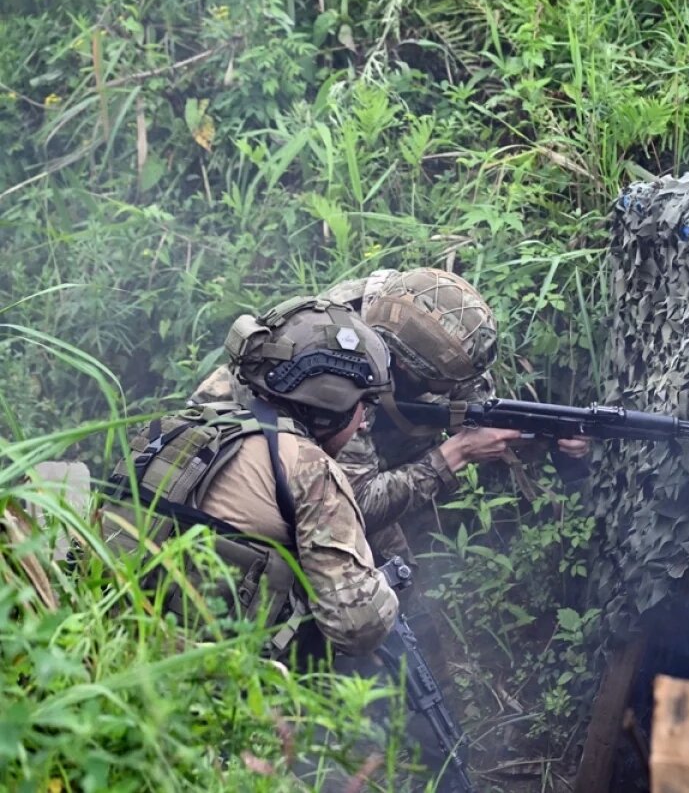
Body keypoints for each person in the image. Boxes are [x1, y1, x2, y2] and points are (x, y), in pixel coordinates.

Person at [100, 296, 464, 790]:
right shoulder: (308, 467)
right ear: (332, 407)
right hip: (209, 701)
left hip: (111, 660)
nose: (364, 423)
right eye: (363, 408)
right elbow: (358, 627)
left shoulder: (165, 427)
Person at [189, 268, 590, 565]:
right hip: (241, 451)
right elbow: (353, 503)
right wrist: (456, 454)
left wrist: (548, 441)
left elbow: (481, 414)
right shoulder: (339, 369)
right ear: (397, 364)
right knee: (388, 574)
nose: (449, 391)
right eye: (436, 382)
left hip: (345, 446)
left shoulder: (427, 324)